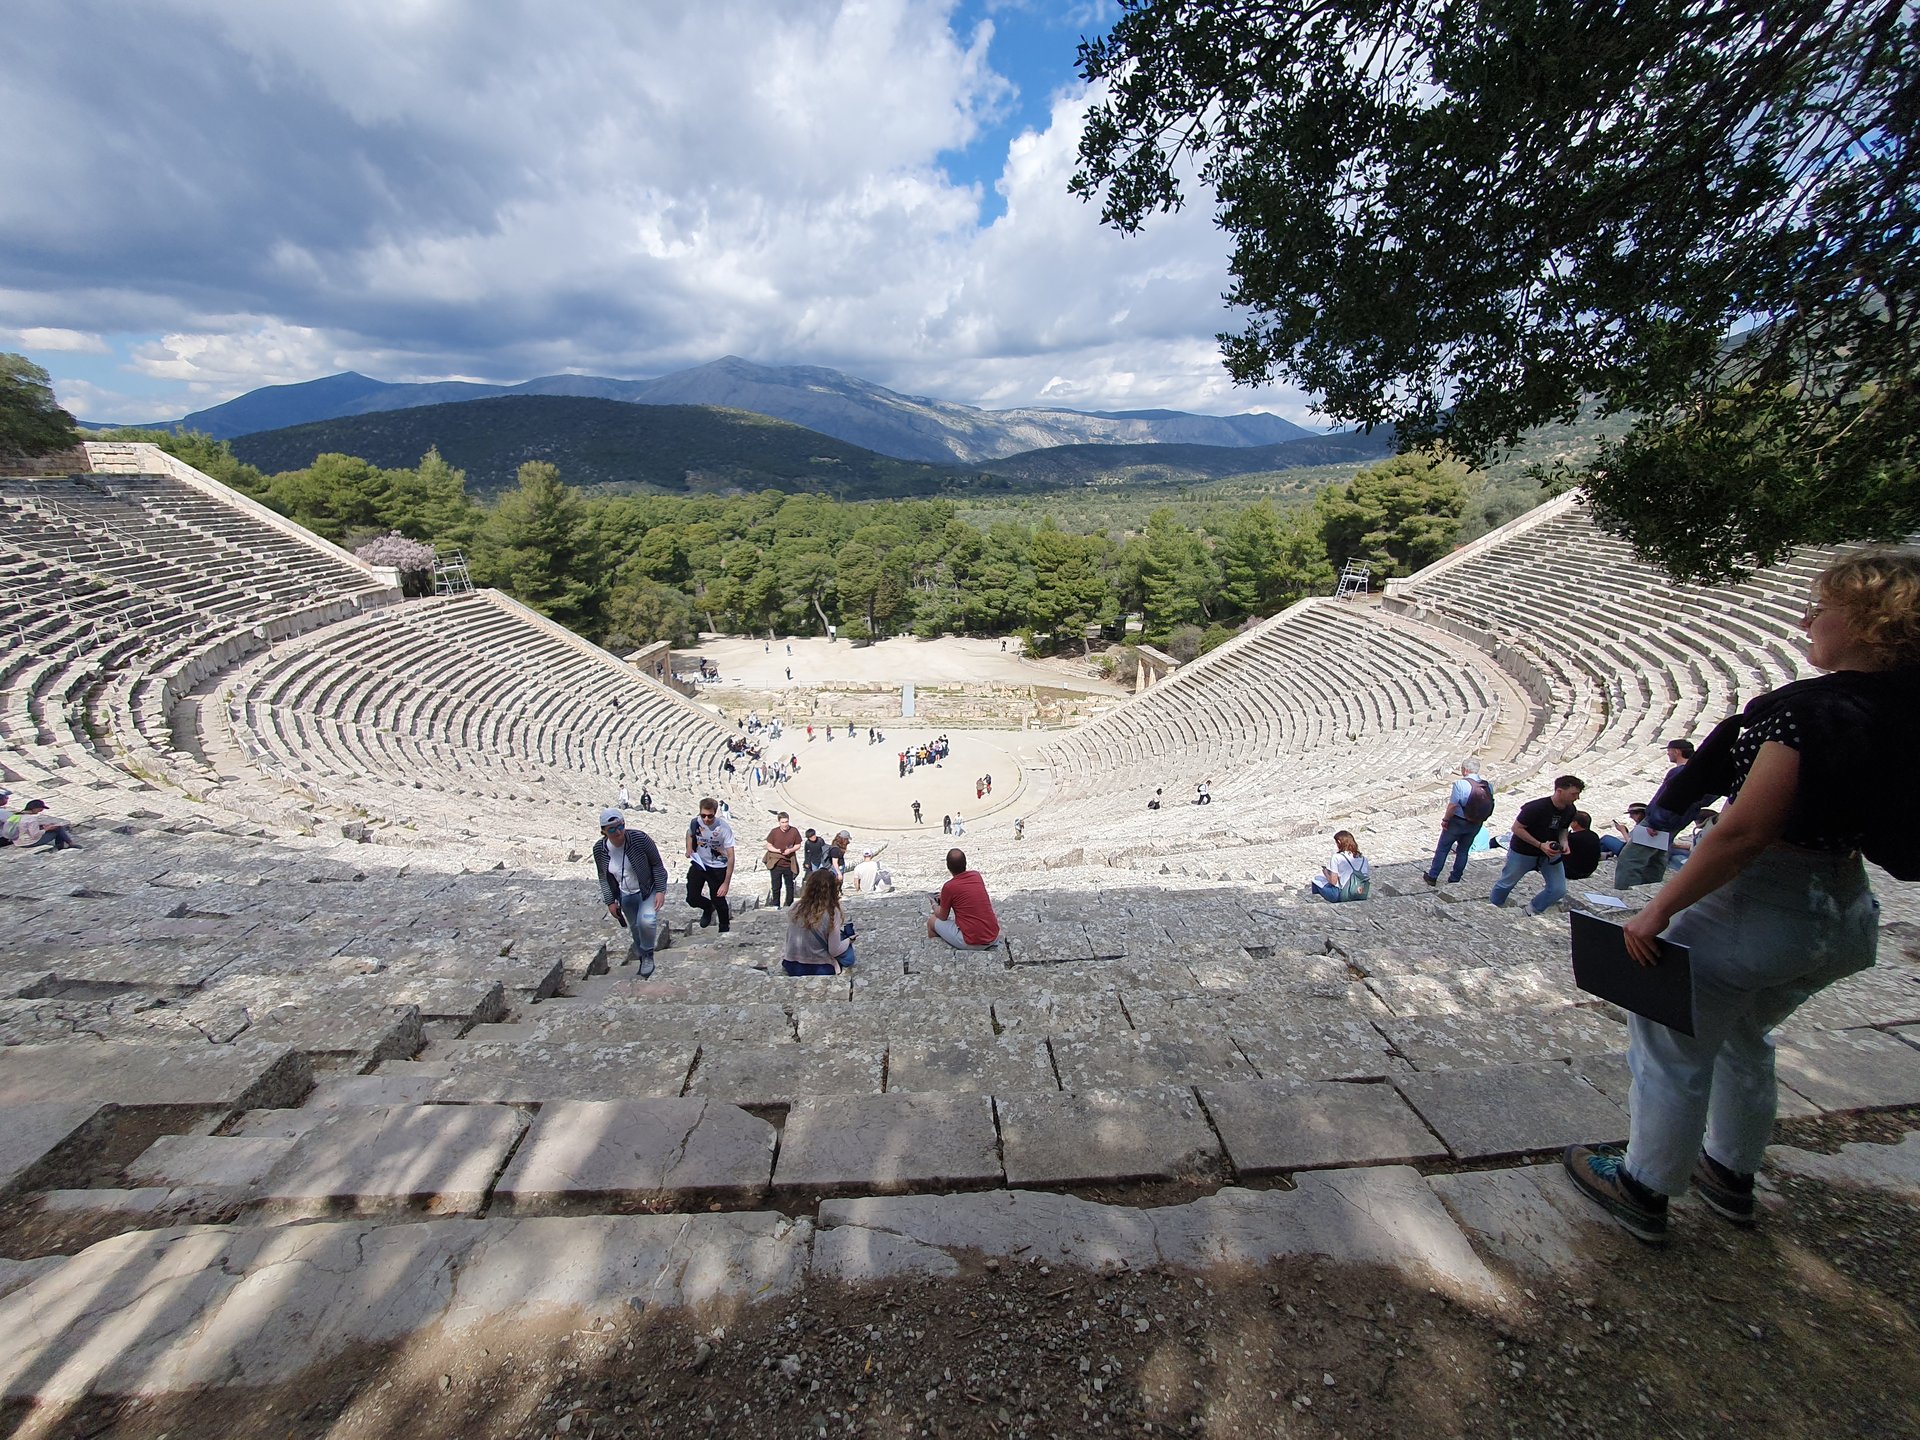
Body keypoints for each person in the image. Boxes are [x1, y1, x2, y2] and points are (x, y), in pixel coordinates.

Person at [1565, 550, 1920, 1244]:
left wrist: (1658, 909)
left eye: (1824, 608)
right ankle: (1730, 1175)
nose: (1807, 617)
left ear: (1871, 622)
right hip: (1846, 913)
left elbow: (1744, 832)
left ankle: (1642, 1185)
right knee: (1747, 1036)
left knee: (1670, 1046)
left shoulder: (1807, 714)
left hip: (1757, 907)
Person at [1488, 775, 1585, 912]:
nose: (1576, 798)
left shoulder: (1570, 810)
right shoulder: (1535, 807)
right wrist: (1540, 845)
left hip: (1550, 855)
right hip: (1523, 852)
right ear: (1559, 791)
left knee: (1559, 889)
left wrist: (1564, 842)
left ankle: (1533, 909)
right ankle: (1493, 908)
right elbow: (1516, 828)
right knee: (1506, 883)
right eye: (1573, 794)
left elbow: (1563, 828)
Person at [593, 808, 667, 978]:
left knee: (646, 922)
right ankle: (642, 956)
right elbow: (603, 876)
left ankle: (648, 956)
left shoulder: (639, 839)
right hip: (625, 893)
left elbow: (657, 865)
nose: (618, 831)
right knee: (635, 928)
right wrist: (610, 901)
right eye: (611, 829)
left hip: (647, 889)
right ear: (603, 831)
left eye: (620, 826)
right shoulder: (600, 849)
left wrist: (661, 891)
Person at [1423, 760, 1495, 886]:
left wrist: (1445, 820)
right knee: (1463, 851)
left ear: (1465, 770)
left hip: (1457, 822)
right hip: (1476, 823)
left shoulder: (1460, 784)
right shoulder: (1488, 786)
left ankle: (1432, 876)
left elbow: (1452, 806)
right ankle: (1455, 878)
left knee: (1443, 849)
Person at [783, 867, 856, 976]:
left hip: (791, 964)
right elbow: (834, 951)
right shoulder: (832, 912)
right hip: (818, 967)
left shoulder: (795, 906)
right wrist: (849, 940)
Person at [926, 847, 1001, 949]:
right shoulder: (976, 875)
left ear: (948, 866)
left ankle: (938, 950)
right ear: (965, 863)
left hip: (973, 941)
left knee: (931, 921)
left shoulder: (949, 887)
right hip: (993, 936)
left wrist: (934, 905)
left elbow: (943, 916)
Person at [684, 797, 735, 933]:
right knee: (692, 898)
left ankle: (724, 928)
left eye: (710, 816)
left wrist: (726, 883)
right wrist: (689, 848)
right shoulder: (695, 822)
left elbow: (731, 856)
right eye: (703, 815)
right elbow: (689, 834)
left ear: (715, 813)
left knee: (718, 899)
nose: (706, 819)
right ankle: (707, 907)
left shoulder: (724, 828)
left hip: (718, 868)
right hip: (700, 864)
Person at [1310, 830, 1371, 902]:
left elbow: (1333, 881)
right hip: (1360, 892)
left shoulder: (1337, 857)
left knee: (1316, 880)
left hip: (1342, 894)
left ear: (1339, 842)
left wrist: (1325, 872)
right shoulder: (1364, 859)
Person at [3, 800, 78, 852]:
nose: (41, 811)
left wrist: (41, 826)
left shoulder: (15, 816)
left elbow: (22, 827)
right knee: (58, 829)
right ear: (35, 809)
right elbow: (35, 835)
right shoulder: (31, 819)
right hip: (28, 842)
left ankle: (68, 844)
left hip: (17, 841)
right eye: (40, 809)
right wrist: (46, 829)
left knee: (54, 828)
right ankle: (66, 846)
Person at [764, 811, 802, 907]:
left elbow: (798, 844)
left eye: (786, 822)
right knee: (776, 886)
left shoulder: (794, 831)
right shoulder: (774, 832)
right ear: (779, 822)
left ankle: (789, 904)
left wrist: (791, 850)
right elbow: (768, 846)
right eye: (783, 822)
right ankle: (776, 904)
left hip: (789, 862)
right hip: (776, 863)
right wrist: (777, 851)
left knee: (789, 885)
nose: (785, 824)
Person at [1562, 810, 1602, 882]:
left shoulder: (1572, 838)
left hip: (1571, 872)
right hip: (1589, 870)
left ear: (1576, 823)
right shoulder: (1594, 836)